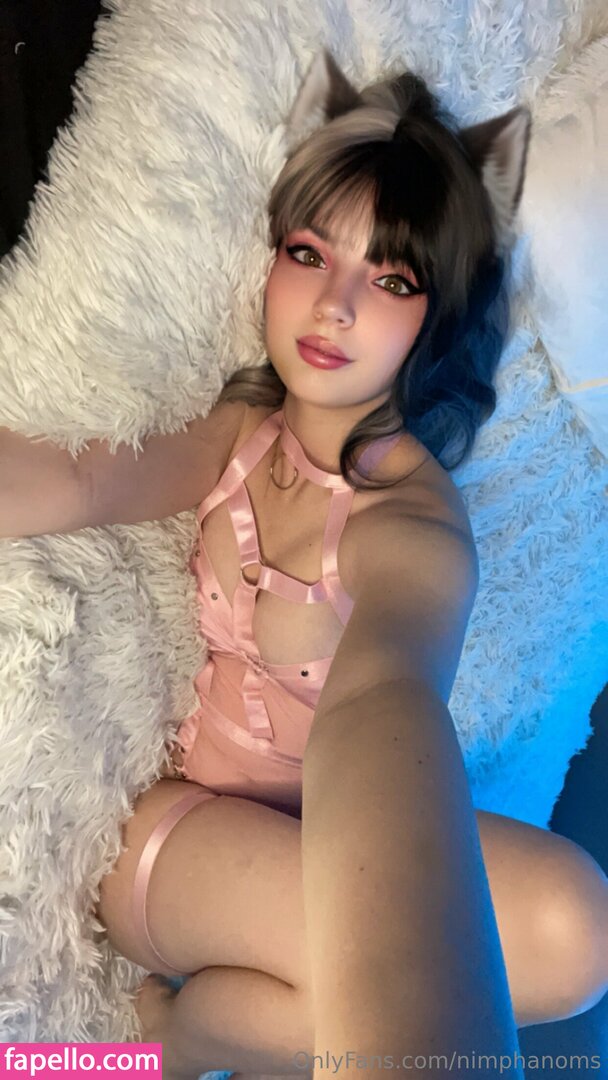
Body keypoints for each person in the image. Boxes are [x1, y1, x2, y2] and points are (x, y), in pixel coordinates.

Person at [2, 48, 607, 1080]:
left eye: (390, 278)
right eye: (308, 253)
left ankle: (180, 1038)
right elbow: (83, 480)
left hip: (334, 838)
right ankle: (186, 1038)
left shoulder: (413, 523)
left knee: (575, 928)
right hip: (184, 843)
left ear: (435, 315)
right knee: (394, 976)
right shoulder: (238, 436)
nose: (335, 304)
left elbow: (384, 694)